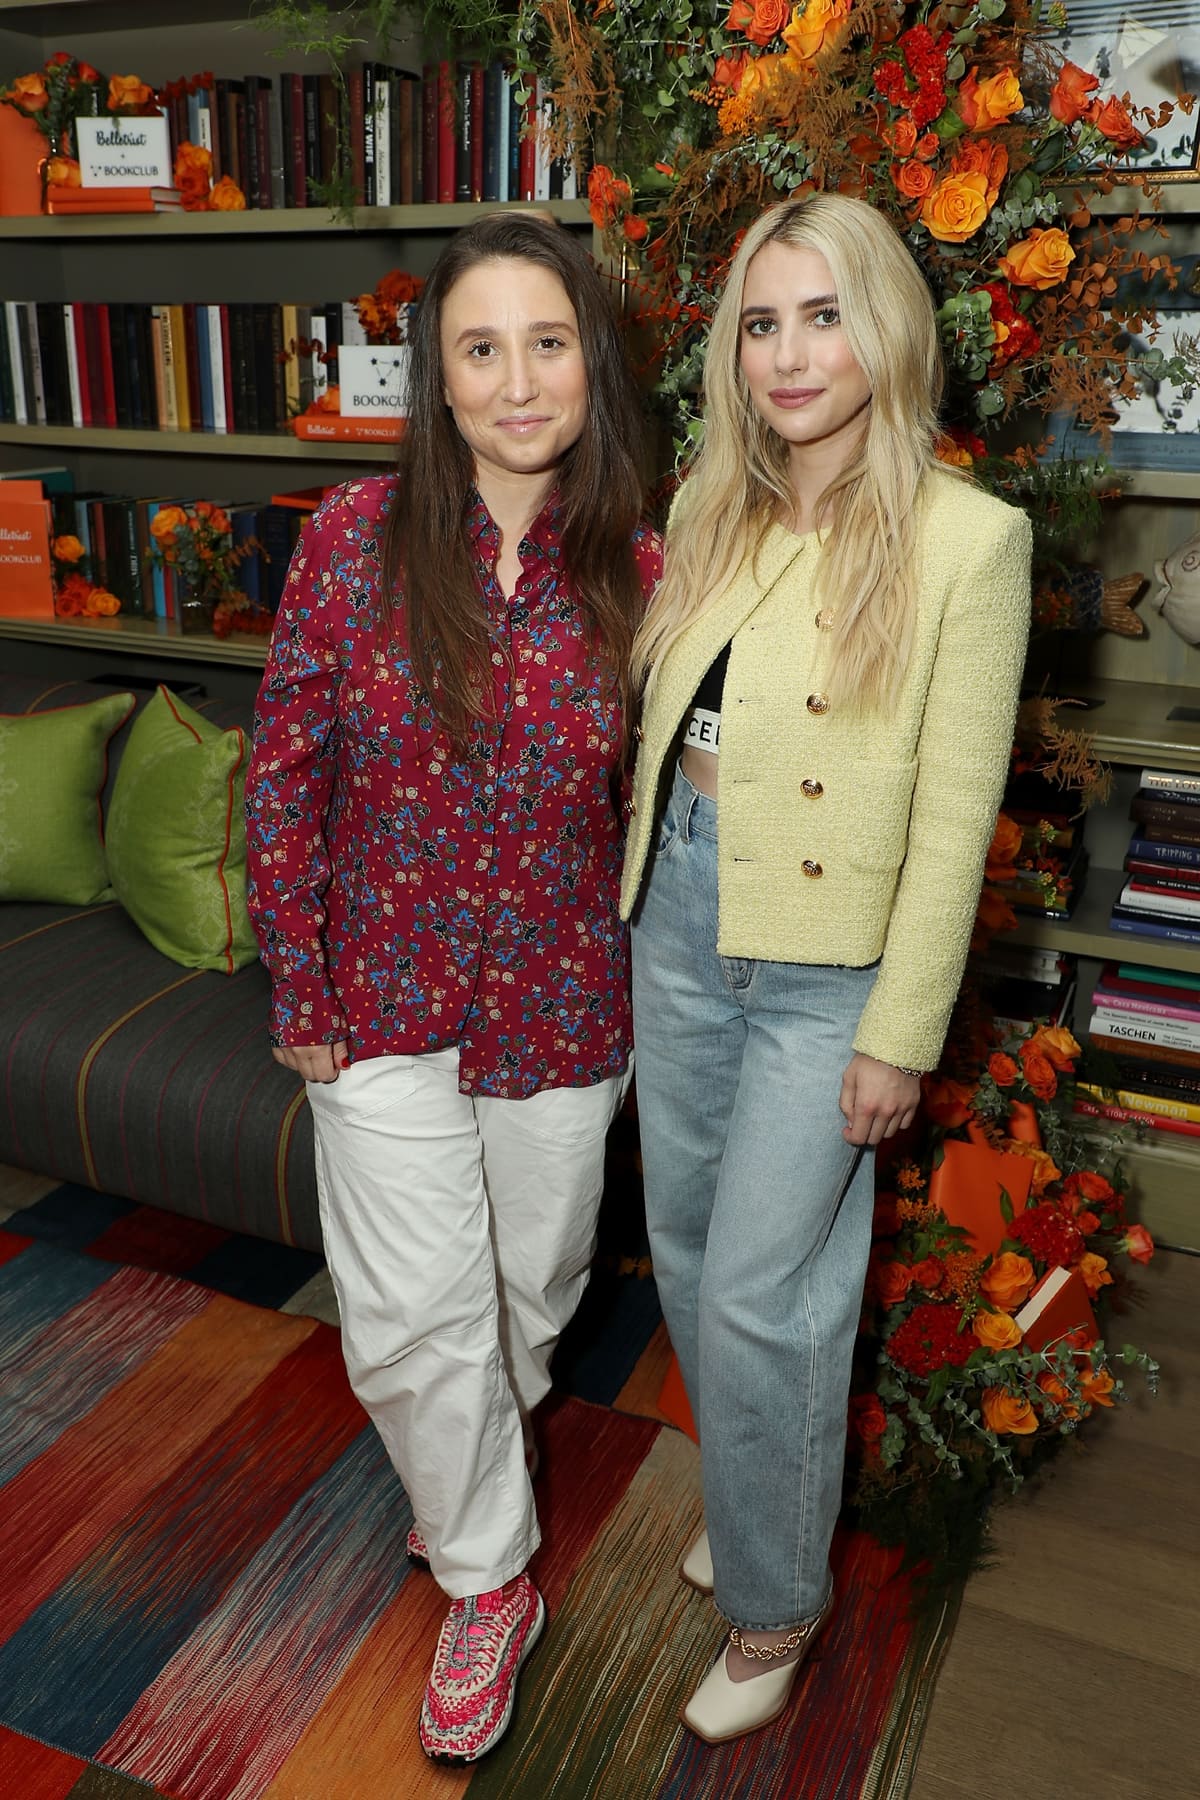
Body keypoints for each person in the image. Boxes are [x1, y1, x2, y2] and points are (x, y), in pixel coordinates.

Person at [245, 212, 661, 1767]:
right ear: (436, 375)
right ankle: (491, 1584)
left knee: (523, 1305)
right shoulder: (355, 538)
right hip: (378, 1001)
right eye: (479, 348)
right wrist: (302, 975)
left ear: (590, 363)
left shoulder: (649, 563)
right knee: (414, 1320)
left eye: (546, 343)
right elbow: (286, 771)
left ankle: (458, 1491)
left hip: (563, 1008)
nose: (516, 379)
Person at [621, 193, 1031, 1745]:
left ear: (888, 328)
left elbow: (952, 815)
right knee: (683, 1246)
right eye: (761, 321)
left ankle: (775, 1605)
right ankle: (757, 1493)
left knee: (768, 1299)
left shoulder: (969, 540)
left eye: (824, 315)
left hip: (827, 971)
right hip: (679, 916)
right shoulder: (713, 506)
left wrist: (898, 1032)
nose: (790, 354)